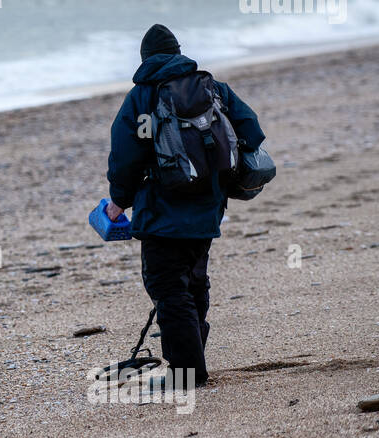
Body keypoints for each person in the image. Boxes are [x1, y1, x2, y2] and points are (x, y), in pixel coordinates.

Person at [105, 24, 265, 385]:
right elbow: (251, 131)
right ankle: (192, 361)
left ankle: (187, 374)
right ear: (178, 51)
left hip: (162, 211)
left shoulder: (142, 97)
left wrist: (118, 201)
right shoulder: (213, 89)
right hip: (208, 208)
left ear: (145, 59)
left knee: (167, 287)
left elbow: (125, 157)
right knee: (194, 282)